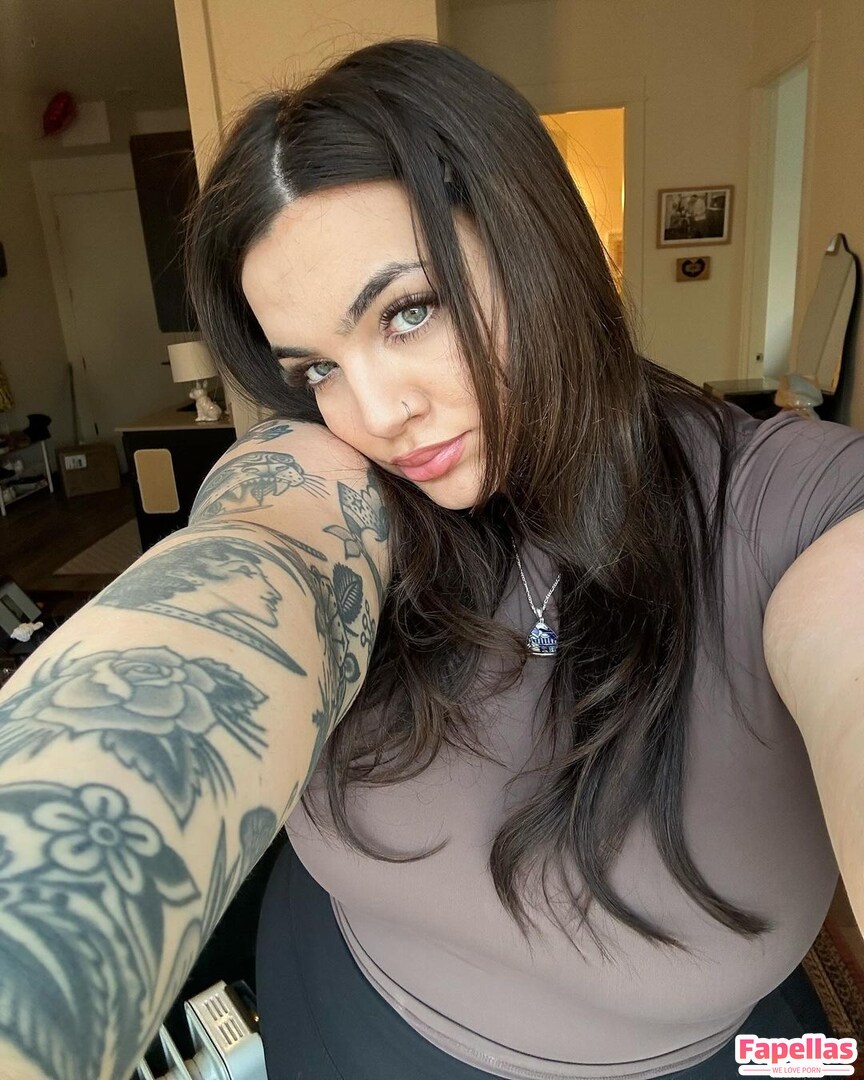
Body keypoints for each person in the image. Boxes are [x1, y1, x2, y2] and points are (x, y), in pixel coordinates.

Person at [1, 37, 863, 1080]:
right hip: (332, 1006)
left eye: (409, 311)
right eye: (315, 369)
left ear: (535, 244)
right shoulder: (336, 480)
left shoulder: (790, 507)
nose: (375, 414)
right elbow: (246, 572)